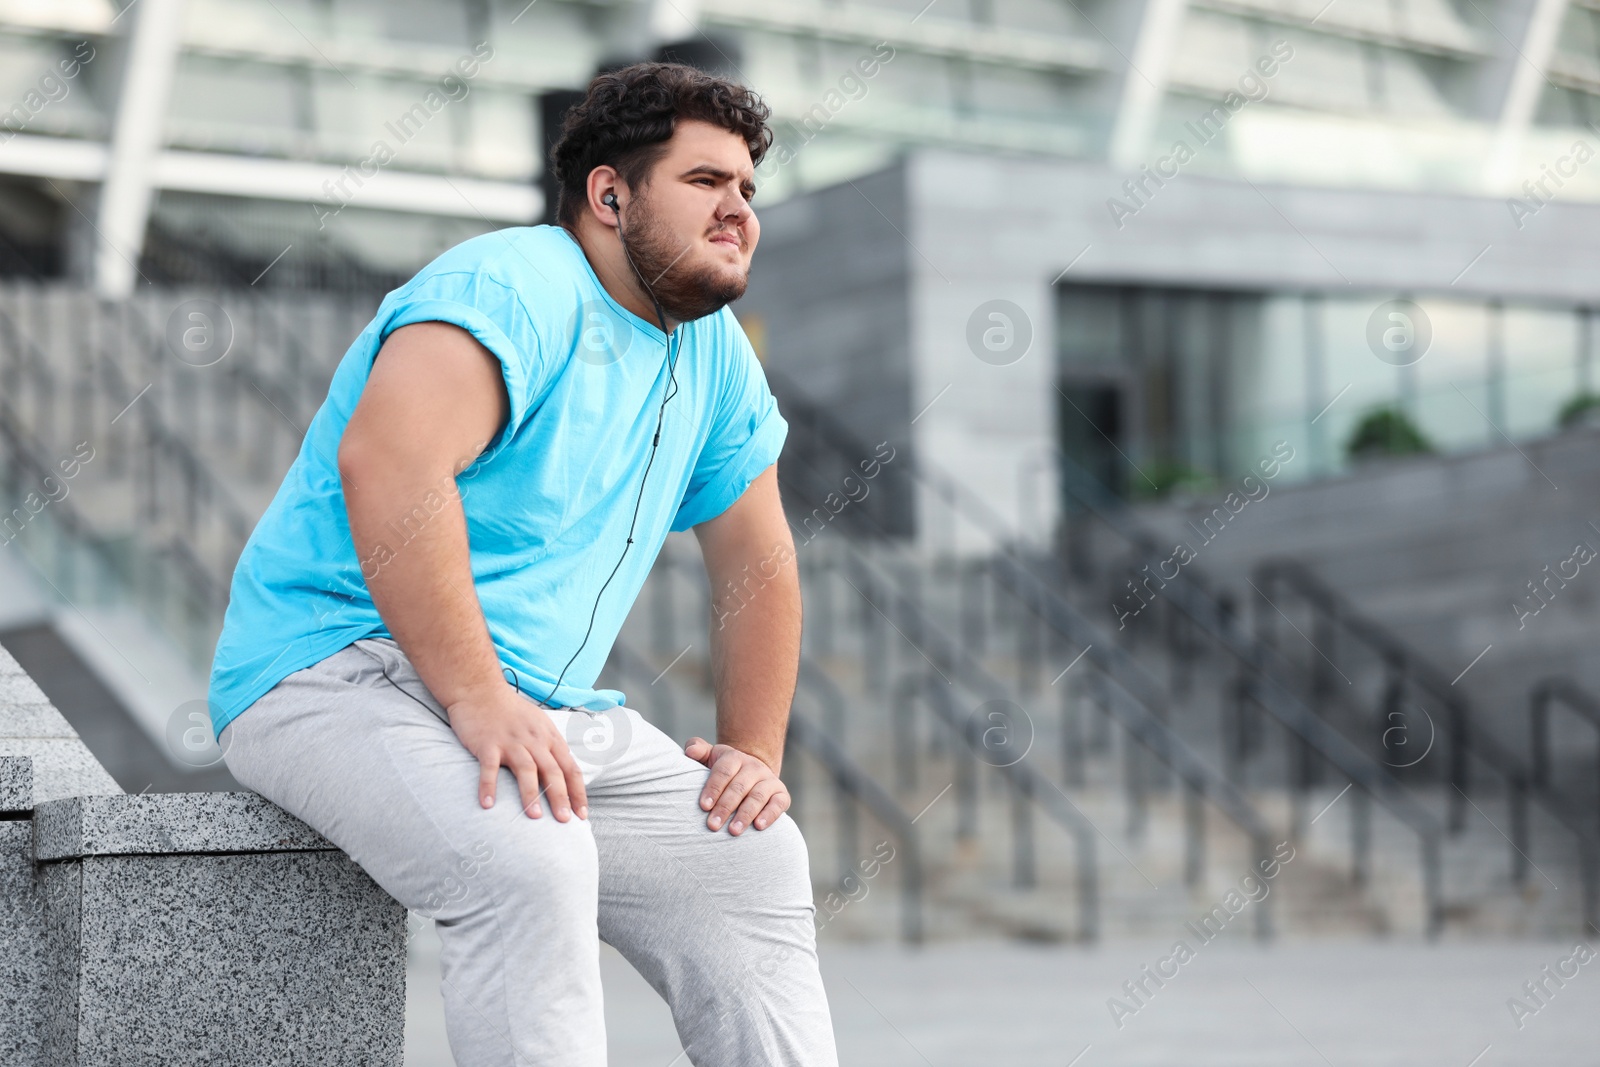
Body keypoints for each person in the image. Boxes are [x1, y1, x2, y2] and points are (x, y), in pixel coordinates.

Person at [207, 61, 838, 1066]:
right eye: (706, 182)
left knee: (746, 852)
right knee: (526, 859)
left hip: (540, 703)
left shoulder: (714, 353)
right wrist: (477, 694)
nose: (738, 210)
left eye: (749, 190)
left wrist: (750, 752)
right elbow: (392, 464)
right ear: (608, 194)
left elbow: (757, 555)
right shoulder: (508, 284)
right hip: (328, 670)